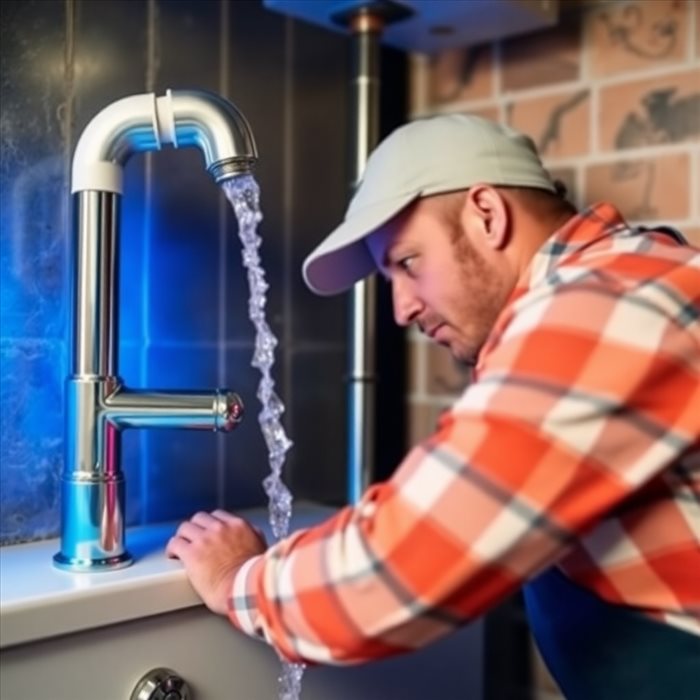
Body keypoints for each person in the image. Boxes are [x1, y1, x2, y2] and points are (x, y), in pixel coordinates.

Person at [167, 114, 700, 698]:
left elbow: (400, 569)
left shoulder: (601, 303)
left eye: (408, 262)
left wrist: (237, 578)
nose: (401, 309)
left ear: (487, 215)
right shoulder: (623, 279)